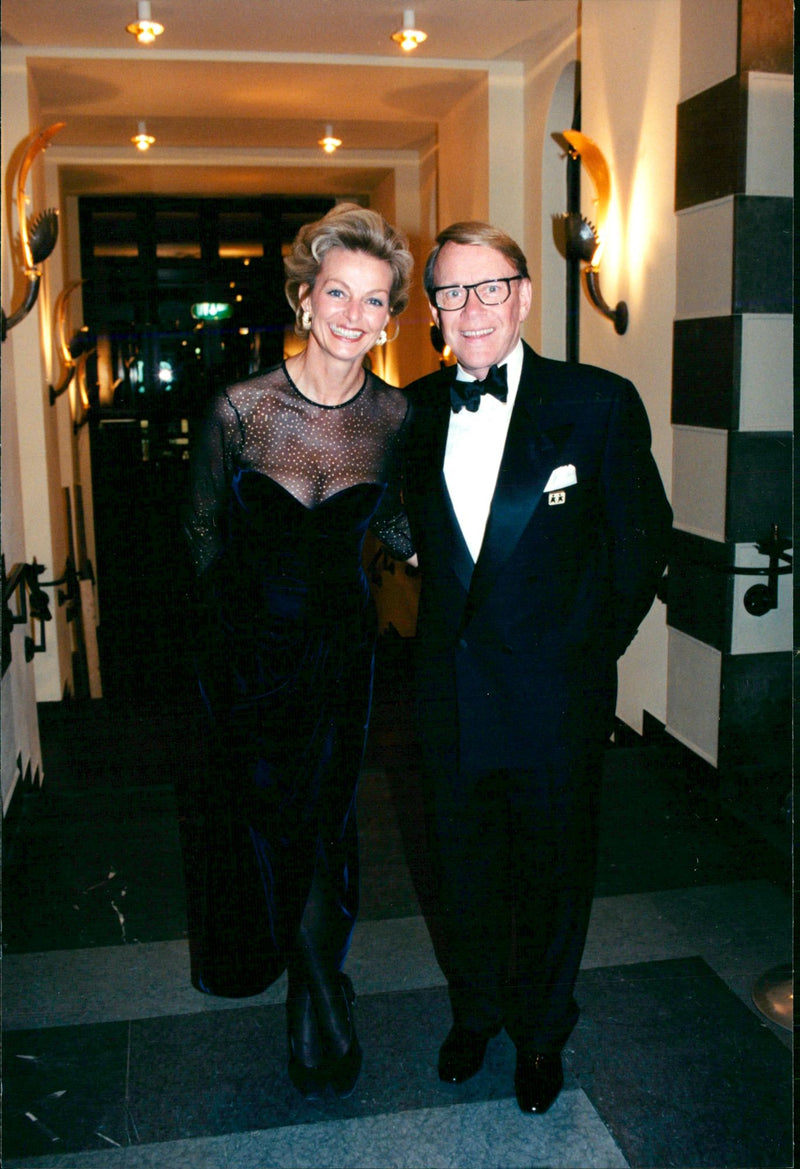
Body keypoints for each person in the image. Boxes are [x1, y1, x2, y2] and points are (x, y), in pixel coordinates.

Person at [403, 221, 671, 1114]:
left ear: (522, 294)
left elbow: (641, 544)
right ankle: (474, 1013)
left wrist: (586, 654)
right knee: (459, 871)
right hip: (447, 700)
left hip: (553, 699)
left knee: (554, 876)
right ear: (433, 309)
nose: (470, 309)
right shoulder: (410, 412)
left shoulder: (596, 402)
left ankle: (542, 1032)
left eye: (489, 288)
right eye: (451, 292)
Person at [180, 203, 415, 1101]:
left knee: (323, 821)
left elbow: (395, 523)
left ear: (390, 316)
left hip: (338, 658)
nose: (355, 315)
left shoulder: (394, 416)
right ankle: (306, 969)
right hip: (243, 655)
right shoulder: (239, 408)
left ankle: (317, 997)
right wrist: (216, 658)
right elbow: (200, 537)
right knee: (262, 822)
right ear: (307, 299)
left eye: (376, 301)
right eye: (339, 293)